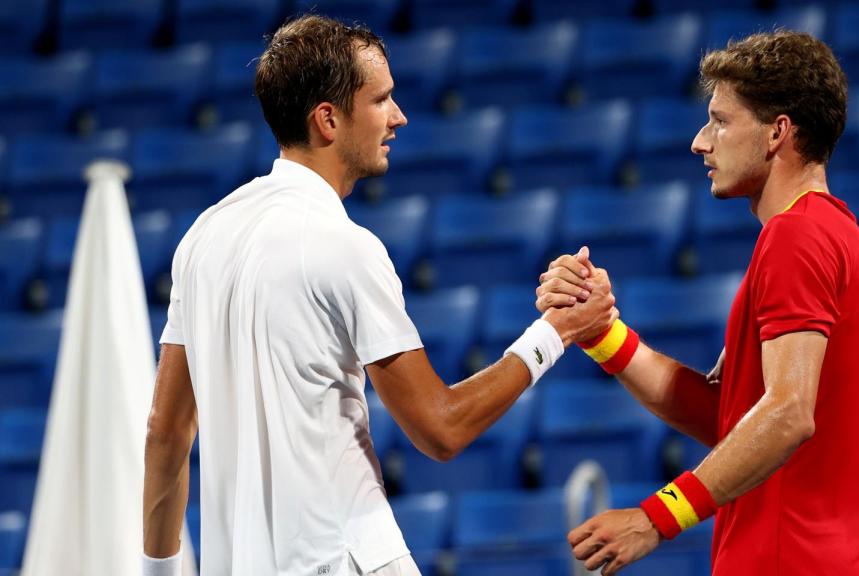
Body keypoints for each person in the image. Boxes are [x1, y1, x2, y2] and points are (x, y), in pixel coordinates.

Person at [141, 15, 616, 576]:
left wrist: (158, 571)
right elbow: (441, 428)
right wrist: (556, 332)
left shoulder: (203, 238)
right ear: (328, 119)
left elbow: (166, 432)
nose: (398, 116)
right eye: (381, 99)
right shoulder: (346, 246)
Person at [537, 31, 859, 575]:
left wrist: (656, 517)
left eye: (720, 121)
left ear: (777, 132)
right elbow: (736, 421)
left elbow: (787, 414)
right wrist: (600, 332)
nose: (700, 142)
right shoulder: (856, 246)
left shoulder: (795, 238)